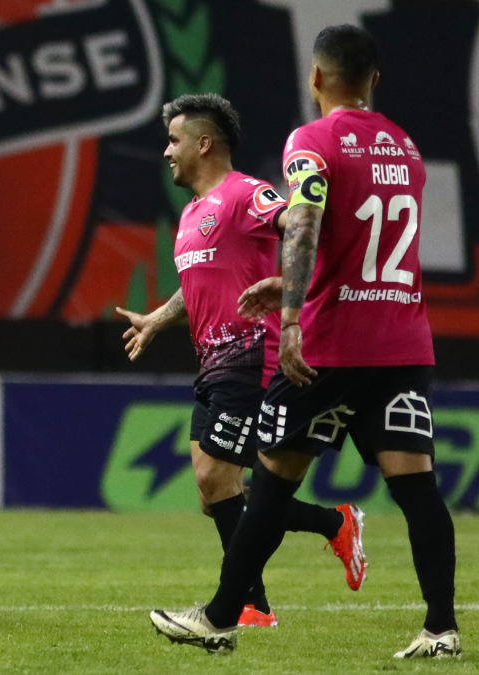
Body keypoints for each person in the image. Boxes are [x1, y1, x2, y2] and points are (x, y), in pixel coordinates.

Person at [149, 26, 458, 658]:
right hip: (404, 338)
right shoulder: (406, 147)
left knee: (268, 485)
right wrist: (284, 277)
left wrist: (290, 315)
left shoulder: (310, 142)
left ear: (315, 78)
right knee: (417, 486)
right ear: (375, 79)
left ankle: (219, 616)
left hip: (334, 340)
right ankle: (441, 629)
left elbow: (308, 218)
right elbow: (362, 241)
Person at [115, 94, 364, 628]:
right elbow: (199, 283)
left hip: (253, 355)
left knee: (215, 479)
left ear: (204, 144)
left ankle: (250, 607)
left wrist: (291, 287)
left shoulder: (247, 194)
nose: (166, 152)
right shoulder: (190, 214)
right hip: (211, 361)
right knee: (215, 492)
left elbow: (304, 231)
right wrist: (159, 319)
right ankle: (333, 523)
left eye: (174, 141)